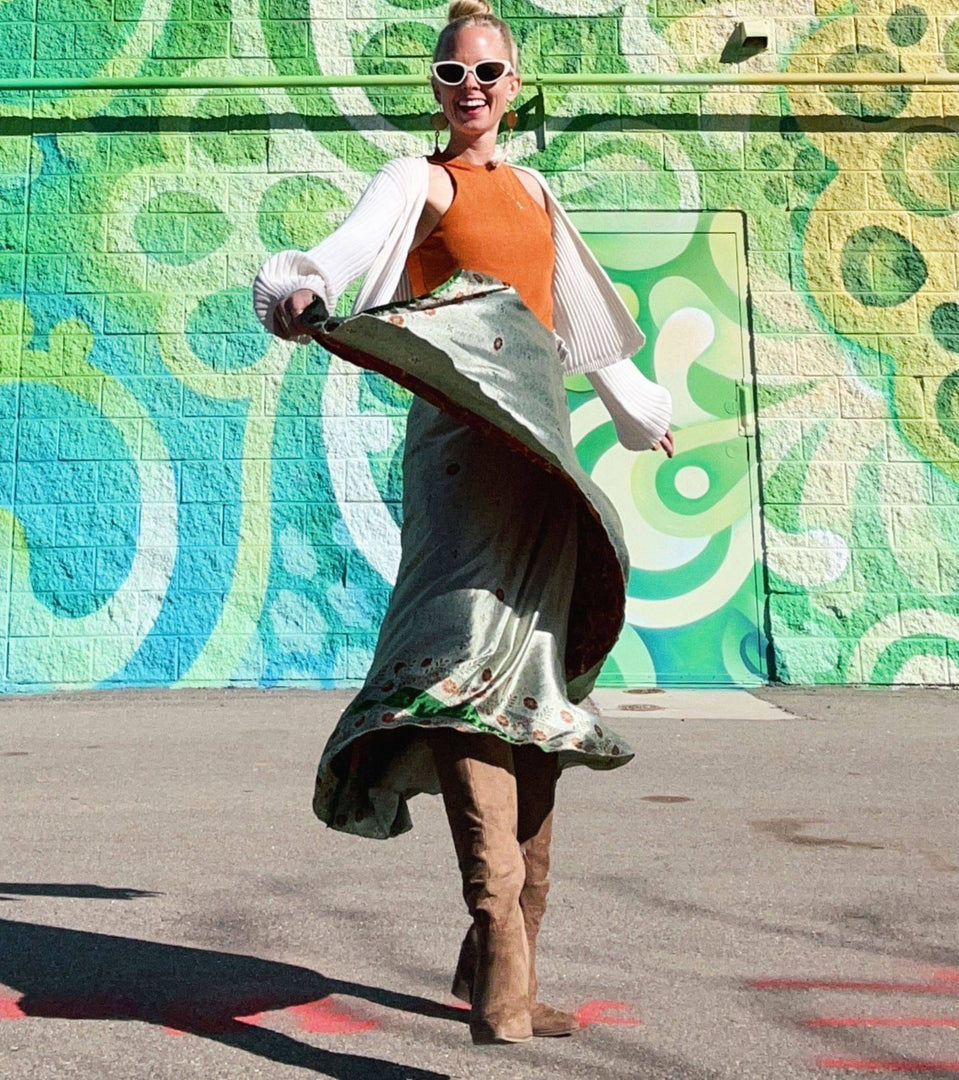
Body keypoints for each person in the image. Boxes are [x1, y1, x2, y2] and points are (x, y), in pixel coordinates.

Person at [252, 0, 674, 1046]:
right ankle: (499, 948)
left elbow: (576, 317)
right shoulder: (418, 180)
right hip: (458, 455)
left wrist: (635, 406)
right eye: (452, 73)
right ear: (436, 89)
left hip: (542, 460)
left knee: (537, 693)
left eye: (487, 71)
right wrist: (301, 293)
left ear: (514, 87)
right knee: (460, 678)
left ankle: (507, 961)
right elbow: (339, 252)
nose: (471, 87)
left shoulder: (535, 190)